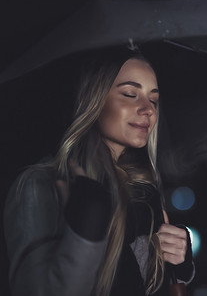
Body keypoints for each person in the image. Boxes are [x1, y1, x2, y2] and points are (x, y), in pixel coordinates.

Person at [3, 47, 195, 296]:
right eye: (129, 93)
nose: (148, 109)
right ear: (93, 99)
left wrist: (178, 266)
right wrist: (85, 235)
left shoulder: (144, 196)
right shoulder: (39, 185)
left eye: (154, 99)